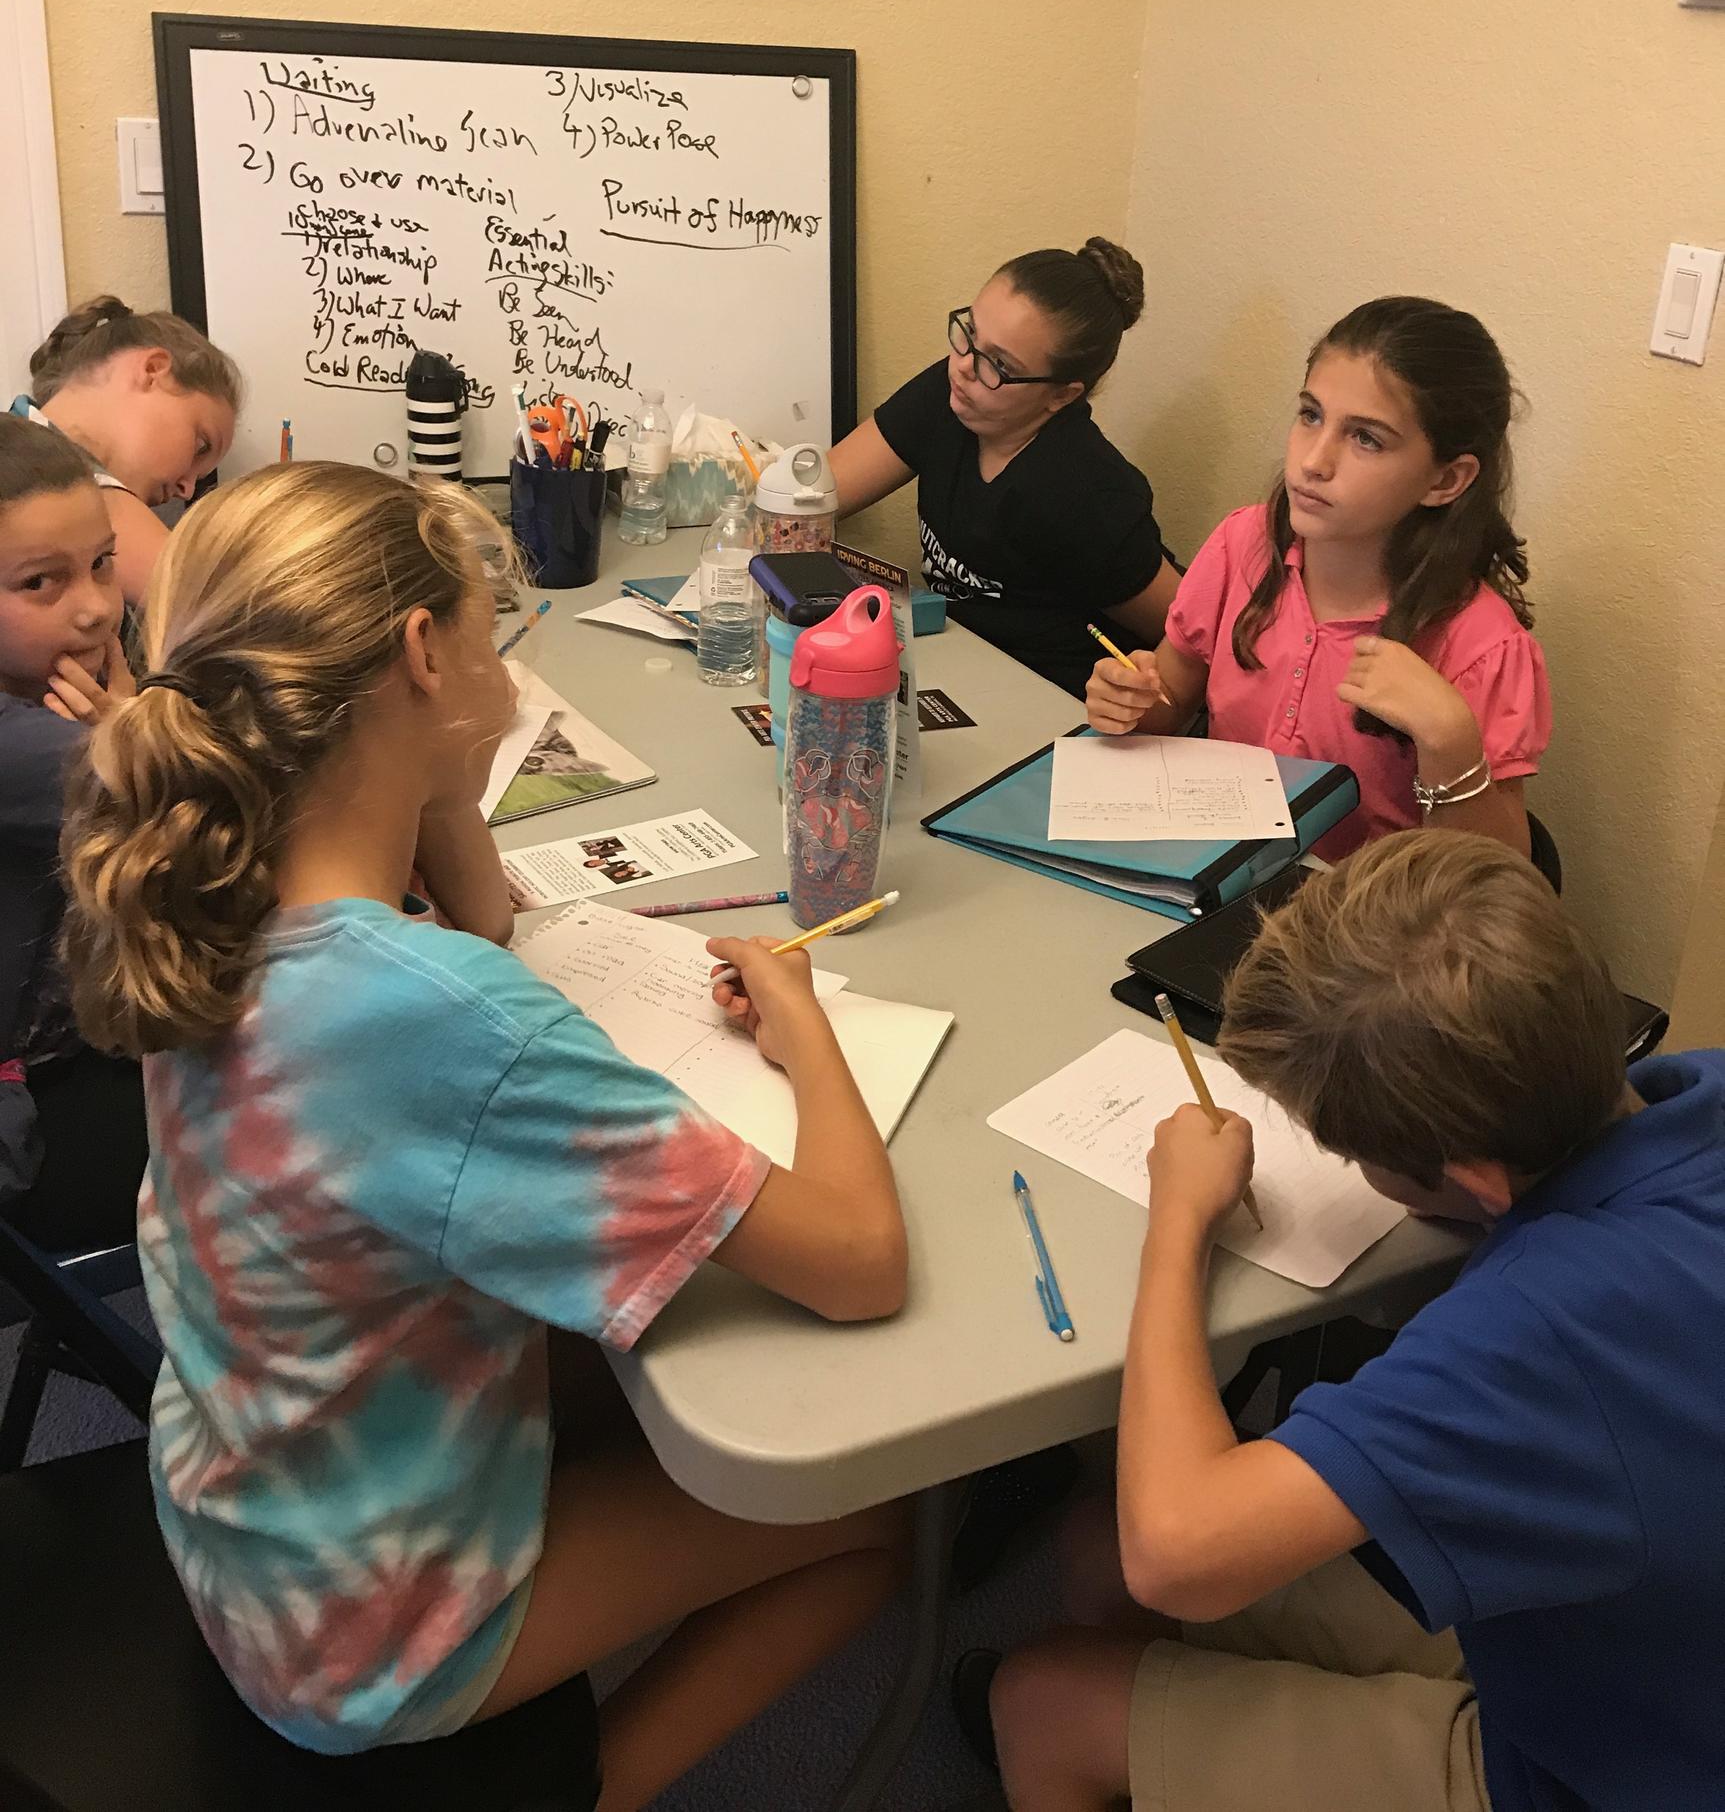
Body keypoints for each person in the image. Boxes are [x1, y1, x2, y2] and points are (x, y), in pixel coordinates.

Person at [58, 461, 908, 1803]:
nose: (506, 663)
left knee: (642, 1374)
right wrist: (805, 1034)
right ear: (420, 653)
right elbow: (861, 1260)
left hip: (243, 1501)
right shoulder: (436, 1014)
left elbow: (490, 919)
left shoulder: (215, 886)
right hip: (353, 1636)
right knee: (869, 1518)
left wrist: (433, 764)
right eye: (488, 633)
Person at [983, 832, 1725, 1812]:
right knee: (1093, 1550)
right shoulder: (1696, 1089)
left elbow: (1175, 1550)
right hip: (1646, 1627)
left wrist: (1179, 1222)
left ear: (1474, 1178)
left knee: (1037, 1699)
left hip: (1614, 1769)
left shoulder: (1540, 1331)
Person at [1085, 295, 1548, 856]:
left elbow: (1496, 873)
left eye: (1366, 438)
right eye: (1311, 415)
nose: (1313, 461)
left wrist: (1450, 740)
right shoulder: (1243, 544)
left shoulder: (1483, 647)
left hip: (1359, 904)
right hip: (1218, 866)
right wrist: (1129, 701)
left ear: (1445, 480)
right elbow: (1169, 698)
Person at [829, 238, 1179, 696]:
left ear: (1062, 395)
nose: (963, 366)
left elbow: (1191, 635)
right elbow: (814, 496)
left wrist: (1133, 697)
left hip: (1058, 700)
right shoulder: (952, 393)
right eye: (970, 333)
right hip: (962, 670)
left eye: (998, 363)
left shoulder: (1083, 492)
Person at [0, 414, 144, 1243]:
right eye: (40, 583)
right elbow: (219, 809)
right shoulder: (26, 750)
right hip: (30, 1104)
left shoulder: (54, 693)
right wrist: (134, 733)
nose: (95, 609)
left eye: (102, 563)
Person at [15, 295, 241, 605]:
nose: (187, 489)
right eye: (201, 446)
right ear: (153, 370)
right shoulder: (57, 478)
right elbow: (221, 610)